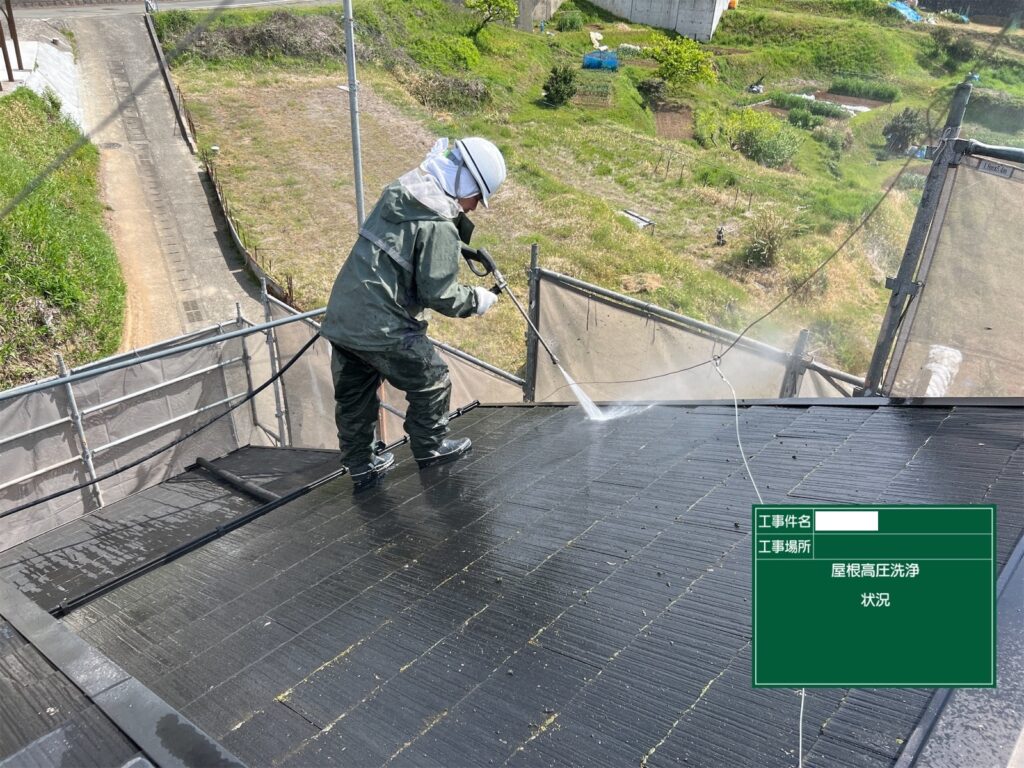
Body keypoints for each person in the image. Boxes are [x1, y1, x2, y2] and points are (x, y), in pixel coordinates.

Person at [320, 137, 506, 486]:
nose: (474, 207)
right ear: (463, 181)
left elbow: (404, 245)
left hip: (344, 314)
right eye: (477, 196)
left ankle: (361, 462)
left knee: (355, 393)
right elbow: (439, 293)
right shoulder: (437, 224)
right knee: (431, 379)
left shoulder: (402, 193)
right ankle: (431, 448)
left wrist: (452, 247)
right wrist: (477, 300)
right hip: (382, 323)